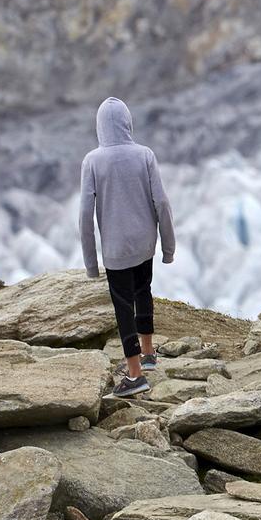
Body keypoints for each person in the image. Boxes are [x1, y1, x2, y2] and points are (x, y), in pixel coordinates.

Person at [79, 97, 176, 398]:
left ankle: (134, 375)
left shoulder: (92, 161)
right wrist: (168, 247)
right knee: (143, 290)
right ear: (127, 122)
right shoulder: (145, 154)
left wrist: (91, 264)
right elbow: (161, 202)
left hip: (116, 249)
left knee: (123, 308)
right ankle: (148, 353)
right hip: (145, 243)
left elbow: (85, 214)